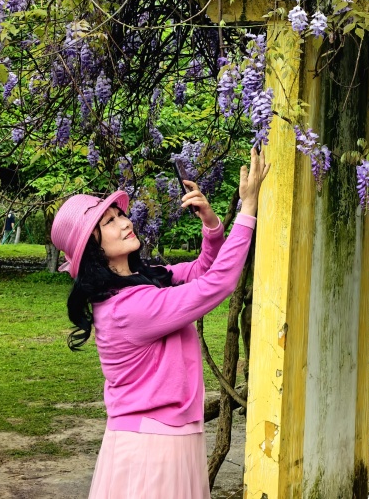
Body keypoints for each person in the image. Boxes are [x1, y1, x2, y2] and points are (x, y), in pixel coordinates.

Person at [50, 146, 269, 498]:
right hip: (150, 448)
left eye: (121, 215)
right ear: (93, 248)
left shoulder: (145, 279)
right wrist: (248, 208)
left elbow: (202, 272)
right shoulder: (128, 307)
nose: (126, 222)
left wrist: (211, 225)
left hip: (169, 436)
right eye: (110, 222)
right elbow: (218, 285)